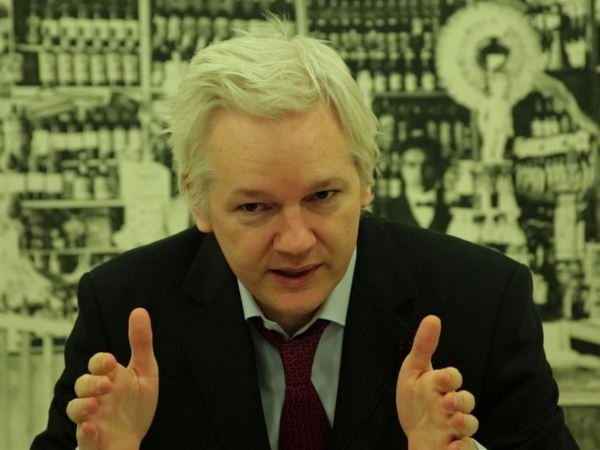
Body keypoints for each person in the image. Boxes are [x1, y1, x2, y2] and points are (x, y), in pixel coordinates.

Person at [31, 18, 577, 450]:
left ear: (366, 179)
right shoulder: (123, 309)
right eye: (254, 207)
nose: (295, 241)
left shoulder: (483, 302)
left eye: (322, 197)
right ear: (198, 199)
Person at [386, 135, 452, 233]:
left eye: (427, 164)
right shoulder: (386, 209)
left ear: (438, 167)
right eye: (411, 164)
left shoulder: (451, 207)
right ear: (401, 168)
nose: (419, 171)